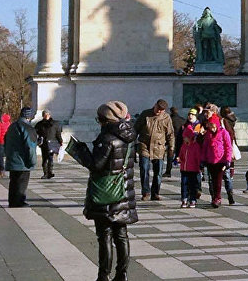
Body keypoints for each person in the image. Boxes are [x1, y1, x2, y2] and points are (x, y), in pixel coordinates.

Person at [70, 101, 138, 281]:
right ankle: (122, 274)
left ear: (105, 120)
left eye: (99, 119)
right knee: (121, 235)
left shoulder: (107, 139)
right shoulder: (130, 136)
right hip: (123, 190)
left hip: (106, 194)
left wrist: (80, 151)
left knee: (105, 235)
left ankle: (103, 275)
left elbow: (96, 165)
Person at [134, 99, 175, 201]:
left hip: (159, 147)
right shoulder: (146, 114)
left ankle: (155, 192)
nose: (158, 111)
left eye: (161, 110)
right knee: (144, 168)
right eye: (157, 108)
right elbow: (136, 128)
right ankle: (146, 192)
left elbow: (170, 134)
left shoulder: (166, 118)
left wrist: (171, 147)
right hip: (145, 145)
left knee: (158, 172)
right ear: (155, 105)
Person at [4, 107, 38, 208]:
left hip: (12, 159)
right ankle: (19, 202)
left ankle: (12, 201)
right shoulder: (27, 127)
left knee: (13, 182)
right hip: (23, 161)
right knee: (21, 183)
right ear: (29, 116)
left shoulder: (12, 126)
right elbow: (30, 147)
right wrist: (32, 161)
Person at [202, 115, 233, 208]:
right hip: (211, 160)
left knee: (218, 180)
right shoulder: (208, 134)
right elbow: (205, 147)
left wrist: (228, 160)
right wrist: (203, 159)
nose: (211, 127)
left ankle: (218, 198)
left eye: (212, 125)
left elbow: (228, 147)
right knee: (212, 180)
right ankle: (214, 197)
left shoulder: (224, 133)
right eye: (210, 125)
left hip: (221, 161)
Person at [177, 109, 203, 208]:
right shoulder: (184, 145)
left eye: (186, 137)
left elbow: (198, 156)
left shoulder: (195, 146)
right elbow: (181, 154)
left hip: (193, 168)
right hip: (184, 167)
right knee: (184, 184)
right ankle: (184, 199)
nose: (185, 139)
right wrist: (179, 158)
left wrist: (200, 165)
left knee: (193, 185)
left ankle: (192, 199)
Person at [34, 110, 63, 179]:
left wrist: (60, 141)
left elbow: (58, 134)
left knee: (50, 158)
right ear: (43, 115)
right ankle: (45, 173)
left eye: (48, 114)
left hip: (52, 144)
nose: (46, 115)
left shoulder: (55, 124)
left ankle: (50, 172)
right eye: (45, 114)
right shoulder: (39, 124)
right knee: (44, 159)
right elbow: (35, 134)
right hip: (44, 144)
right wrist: (38, 142)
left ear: (50, 115)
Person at [220, 106, 238, 204]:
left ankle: (227, 194)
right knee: (229, 169)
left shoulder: (224, 122)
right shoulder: (232, 119)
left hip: (224, 148)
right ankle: (229, 192)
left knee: (225, 174)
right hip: (230, 146)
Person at [164, 107, 186, 178]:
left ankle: (168, 171)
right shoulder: (182, 120)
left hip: (172, 140)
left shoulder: (169, 120)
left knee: (170, 156)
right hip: (180, 140)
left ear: (171, 112)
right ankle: (183, 170)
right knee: (180, 156)